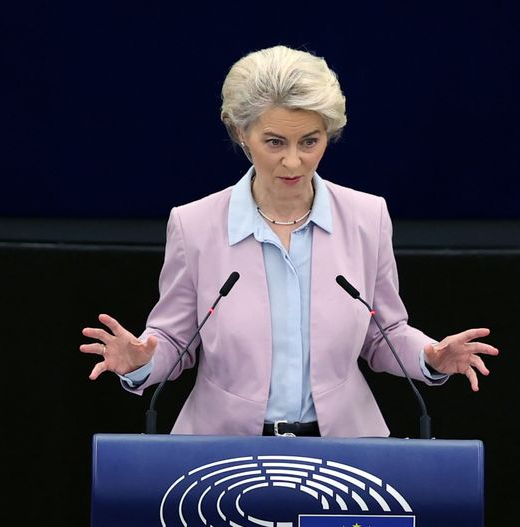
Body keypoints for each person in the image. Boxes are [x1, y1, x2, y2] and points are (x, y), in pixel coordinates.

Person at [80, 45, 498, 438]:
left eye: (310, 142)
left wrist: (430, 356)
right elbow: (174, 340)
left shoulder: (367, 217)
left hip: (345, 448)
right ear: (241, 133)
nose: (294, 161)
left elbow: (383, 333)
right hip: (219, 450)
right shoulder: (194, 224)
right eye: (275, 142)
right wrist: (141, 362)